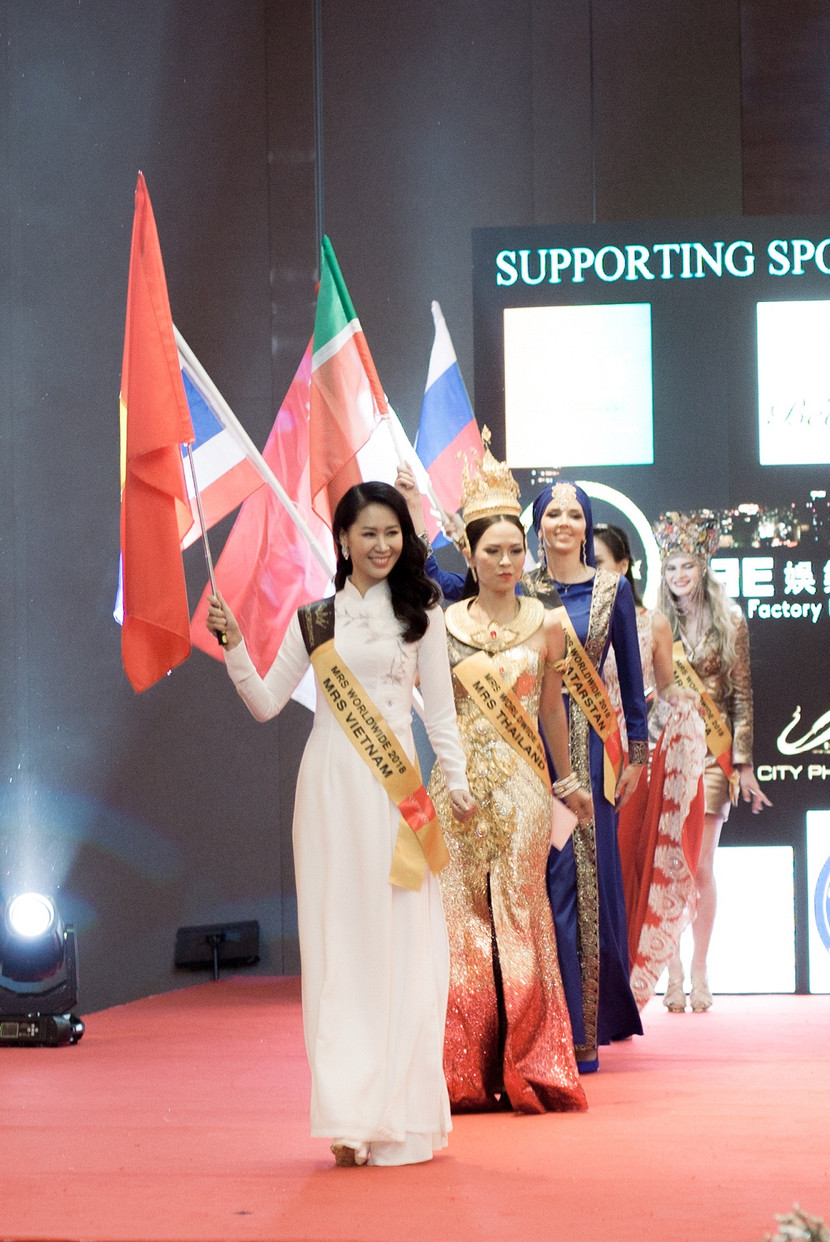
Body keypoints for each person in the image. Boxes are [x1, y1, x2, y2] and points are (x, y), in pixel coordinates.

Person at [206, 481, 477, 1167]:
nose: (382, 545)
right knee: (339, 946)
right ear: (344, 541)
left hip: (397, 797)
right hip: (328, 791)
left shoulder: (422, 612)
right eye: (369, 534)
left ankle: (400, 1112)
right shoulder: (316, 619)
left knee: (400, 943)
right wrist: (235, 646)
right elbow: (266, 702)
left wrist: (458, 784)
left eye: (393, 533)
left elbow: (442, 713)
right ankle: (349, 1117)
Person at [427, 444, 591, 1113]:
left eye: (514, 550)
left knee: (522, 916)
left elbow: (553, 709)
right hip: (456, 786)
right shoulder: (440, 627)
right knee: (460, 923)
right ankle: (463, 1072)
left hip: (523, 787)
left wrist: (567, 781)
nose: (505, 562)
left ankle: (532, 1065)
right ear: (469, 556)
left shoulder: (548, 625)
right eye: (491, 551)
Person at [523, 482, 648, 1072]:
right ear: (538, 525)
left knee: (584, 881)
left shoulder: (612, 590)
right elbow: (452, 591)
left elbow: (631, 672)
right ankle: (540, 1024)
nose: (564, 522)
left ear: (587, 524)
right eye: (553, 513)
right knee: (542, 878)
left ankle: (583, 1030)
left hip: (592, 757)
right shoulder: (519, 587)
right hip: (529, 746)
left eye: (575, 514)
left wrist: (638, 753)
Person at [653, 511, 771, 1012]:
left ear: (702, 566)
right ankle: (672, 971)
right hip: (666, 750)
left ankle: (700, 970)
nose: (679, 575)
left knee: (701, 864)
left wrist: (743, 763)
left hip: (713, 755)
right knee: (669, 864)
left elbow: (742, 696)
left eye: (687, 565)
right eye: (671, 567)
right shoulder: (653, 621)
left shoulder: (731, 620)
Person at [593, 523, 707, 1012]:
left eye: (600, 562)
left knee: (621, 868)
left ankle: (619, 989)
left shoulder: (652, 623)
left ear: (623, 567)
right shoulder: (565, 619)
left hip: (628, 759)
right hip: (579, 752)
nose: (591, 571)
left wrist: (682, 702)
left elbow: (664, 691)